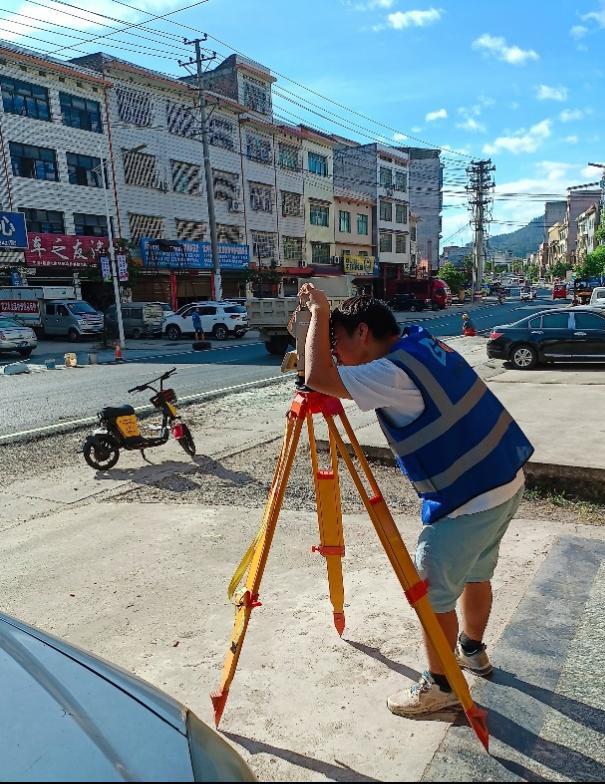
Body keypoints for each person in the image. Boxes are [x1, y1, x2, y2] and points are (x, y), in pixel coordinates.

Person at [297, 284, 533, 717]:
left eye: (337, 342)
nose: (335, 355)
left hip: (468, 499)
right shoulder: (422, 344)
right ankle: (471, 650)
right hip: (505, 479)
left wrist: (318, 312)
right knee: (477, 573)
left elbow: (318, 379)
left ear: (362, 332)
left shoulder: (389, 371)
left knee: (432, 596)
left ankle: (442, 686)